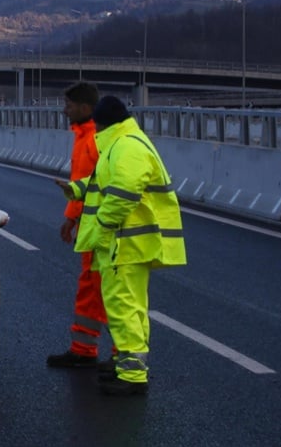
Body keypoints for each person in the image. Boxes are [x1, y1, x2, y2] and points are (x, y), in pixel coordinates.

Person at [58, 96, 187, 396]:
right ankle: (124, 363)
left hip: (124, 244)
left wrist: (102, 226)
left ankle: (131, 376)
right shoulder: (121, 143)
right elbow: (103, 181)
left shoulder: (126, 146)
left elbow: (123, 194)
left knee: (124, 306)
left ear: (103, 123)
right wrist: (76, 189)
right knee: (132, 307)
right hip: (128, 244)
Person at [47, 82, 111, 370]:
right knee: (90, 287)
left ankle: (125, 359)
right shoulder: (82, 137)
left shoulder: (98, 139)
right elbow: (83, 185)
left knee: (112, 293)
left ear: (85, 108)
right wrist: (72, 218)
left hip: (105, 230)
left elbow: (103, 186)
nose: (64, 111)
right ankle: (83, 349)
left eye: (69, 106)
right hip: (90, 227)